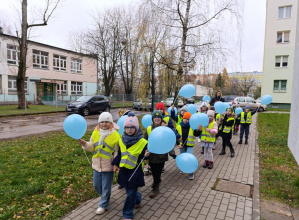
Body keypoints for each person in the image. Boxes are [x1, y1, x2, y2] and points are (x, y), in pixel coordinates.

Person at [79, 112, 120, 215]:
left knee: (106, 187)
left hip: (108, 165)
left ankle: (103, 205)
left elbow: (117, 151)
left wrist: (115, 164)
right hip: (97, 165)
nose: (104, 124)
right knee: (96, 185)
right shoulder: (95, 132)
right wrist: (85, 144)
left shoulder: (115, 135)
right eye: (102, 122)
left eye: (106, 121)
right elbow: (92, 146)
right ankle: (105, 196)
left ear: (110, 123)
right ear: (99, 123)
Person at [112, 113, 150, 220]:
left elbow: (144, 155)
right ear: (124, 128)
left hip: (135, 171)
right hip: (124, 170)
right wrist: (115, 164)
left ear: (136, 128)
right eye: (127, 127)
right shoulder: (121, 139)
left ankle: (128, 213)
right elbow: (120, 154)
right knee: (129, 191)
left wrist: (146, 155)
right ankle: (138, 199)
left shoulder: (142, 142)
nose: (129, 130)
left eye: (132, 127)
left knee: (130, 193)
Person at [144, 110, 176, 198]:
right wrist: (144, 151)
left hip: (161, 154)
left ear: (161, 119)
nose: (157, 119)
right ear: (152, 119)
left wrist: (172, 153)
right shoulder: (149, 128)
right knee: (153, 170)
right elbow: (144, 141)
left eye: (159, 117)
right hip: (152, 155)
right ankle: (156, 180)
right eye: (155, 117)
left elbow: (169, 142)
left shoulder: (165, 129)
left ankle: (156, 188)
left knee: (158, 171)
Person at [176, 112, 201, 180]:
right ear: (182, 118)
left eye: (187, 119)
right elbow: (175, 136)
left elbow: (196, 134)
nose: (185, 120)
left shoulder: (192, 127)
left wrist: (199, 130)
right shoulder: (179, 126)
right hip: (182, 146)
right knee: (183, 157)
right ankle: (183, 168)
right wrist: (178, 144)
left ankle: (190, 173)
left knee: (189, 158)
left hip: (189, 145)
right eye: (184, 118)